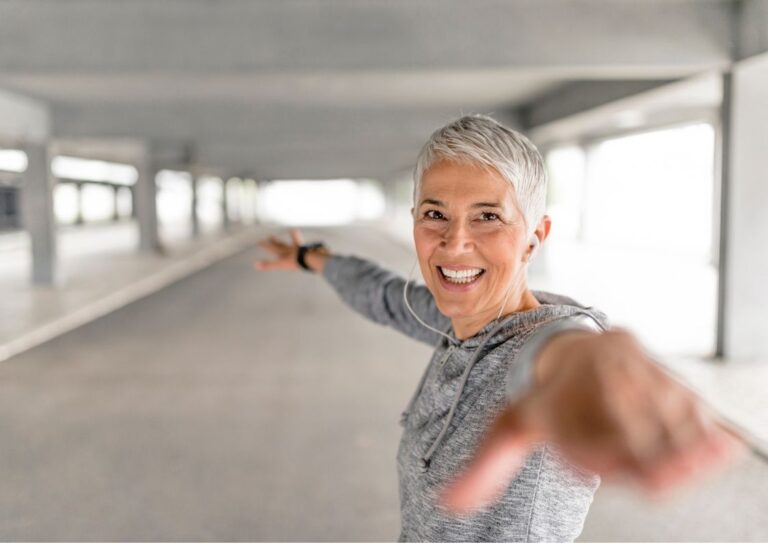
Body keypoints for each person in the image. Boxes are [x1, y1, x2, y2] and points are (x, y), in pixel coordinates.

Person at [253, 114, 746, 542]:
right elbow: (381, 294)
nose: (454, 241)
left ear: (534, 239)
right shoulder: (458, 321)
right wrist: (308, 257)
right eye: (435, 214)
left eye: (488, 216)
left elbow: (556, 351)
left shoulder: (544, 340)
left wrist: (583, 361)